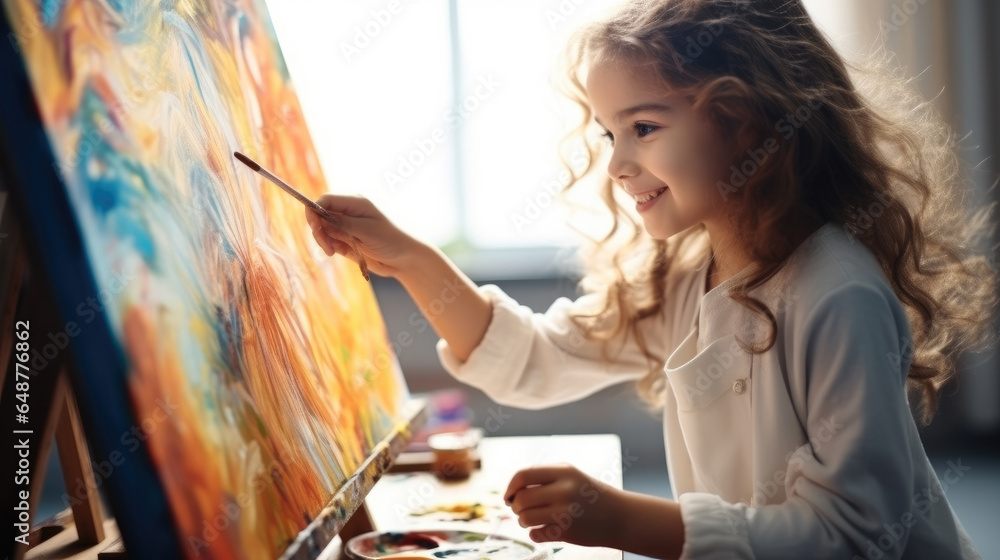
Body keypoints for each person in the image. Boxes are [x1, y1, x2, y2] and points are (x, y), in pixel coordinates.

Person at [305, 1, 998, 557]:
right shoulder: (688, 275)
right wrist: (412, 258)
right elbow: (535, 362)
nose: (616, 165)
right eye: (611, 134)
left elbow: (853, 534)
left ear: (745, 119)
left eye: (643, 126)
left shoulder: (837, 291)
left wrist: (621, 520)